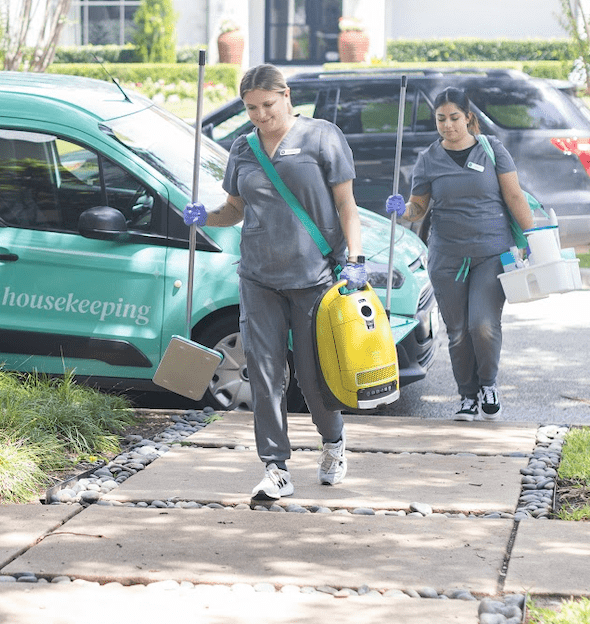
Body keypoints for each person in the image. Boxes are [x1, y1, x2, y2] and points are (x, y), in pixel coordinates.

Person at [182, 64, 366, 500]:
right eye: (251, 108)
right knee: (264, 375)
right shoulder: (243, 148)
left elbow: (347, 205)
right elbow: (234, 210)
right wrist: (204, 216)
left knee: (313, 374)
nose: (260, 116)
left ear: (286, 96)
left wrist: (355, 259)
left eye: (267, 105)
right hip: (258, 276)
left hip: (313, 277)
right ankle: (275, 467)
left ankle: (334, 443)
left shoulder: (322, 137)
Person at [386, 86, 534, 421]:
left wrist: (533, 237)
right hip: (447, 257)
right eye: (441, 119)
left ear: (468, 117)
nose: (448, 125)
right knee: (457, 331)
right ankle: (467, 396)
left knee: (482, 325)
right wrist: (402, 208)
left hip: (491, 253)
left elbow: (515, 197)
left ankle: (489, 385)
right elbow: (418, 208)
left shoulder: (492, 150)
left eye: (454, 117)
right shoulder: (428, 159)